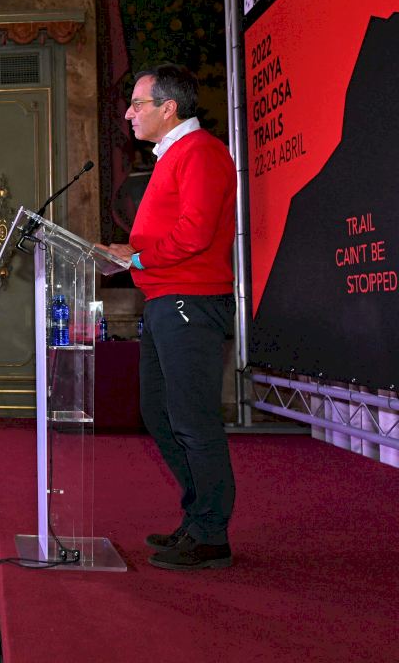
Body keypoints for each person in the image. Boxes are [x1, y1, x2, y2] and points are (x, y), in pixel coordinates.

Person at [99, 63, 237, 571]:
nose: (129, 114)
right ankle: (197, 517)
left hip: (190, 301)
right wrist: (128, 254)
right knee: (158, 412)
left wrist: (136, 259)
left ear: (169, 108)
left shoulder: (200, 152)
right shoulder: (173, 155)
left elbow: (195, 233)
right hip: (165, 300)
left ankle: (211, 534)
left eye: (138, 104)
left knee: (192, 420)